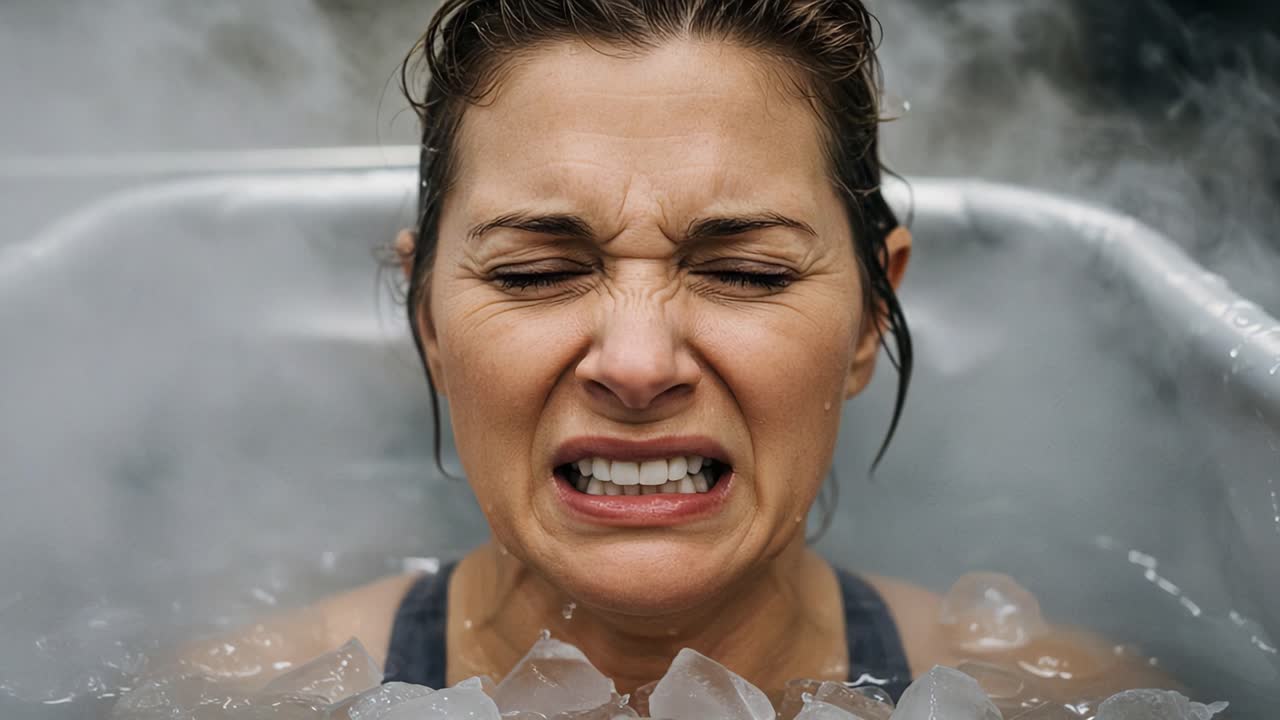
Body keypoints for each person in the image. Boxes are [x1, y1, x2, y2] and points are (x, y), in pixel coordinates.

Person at [186, 0, 1171, 703]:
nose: (637, 362)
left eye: (745, 273)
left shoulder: (1059, 698)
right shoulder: (238, 699)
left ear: (871, 317)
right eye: (533, 274)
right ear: (429, 322)